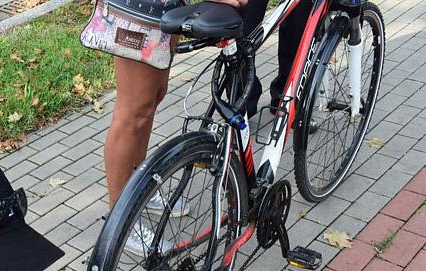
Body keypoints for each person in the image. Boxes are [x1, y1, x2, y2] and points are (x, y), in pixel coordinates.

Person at [103, 0, 307, 255]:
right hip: (138, 8)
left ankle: (137, 190)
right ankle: (119, 221)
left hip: (161, 7)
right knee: (131, 111)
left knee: (149, 102)